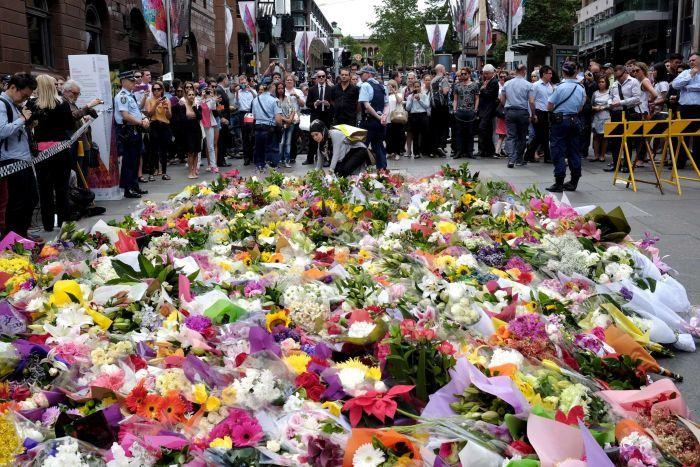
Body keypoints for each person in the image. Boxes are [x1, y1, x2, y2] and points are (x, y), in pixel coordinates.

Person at [26, 75, 75, 231]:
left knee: (44, 188)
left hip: (41, 152)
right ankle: (64, 223)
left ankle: (47, 224)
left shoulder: (32, 104)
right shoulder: (62, 103)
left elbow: (27, 124)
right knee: (62, 188)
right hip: (61, 150)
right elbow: (70, 124)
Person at [0, 73, 37, 237]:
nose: (24, 100)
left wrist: (28, 122)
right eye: (24, 95)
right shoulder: (2, 104)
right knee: (17, 202)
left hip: (23, 159)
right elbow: (2, 131)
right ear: (13, 87)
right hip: (10, 160)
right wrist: (22, 119)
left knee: (31, 198)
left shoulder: (15, 105)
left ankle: (21, 234)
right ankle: (13, 237)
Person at [546, 62, 586, 192]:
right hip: (575, 120)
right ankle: (574, 182)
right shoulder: (581, 88)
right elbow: (581, 107)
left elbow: (549, 106)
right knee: (574, 151)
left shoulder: (560, 87)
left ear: (563, 72)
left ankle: (559, 182)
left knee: (558, 150)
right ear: (575, 73)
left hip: (560, 121)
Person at [114, 70, 149, 199]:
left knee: (135, 160)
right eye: (132, 81)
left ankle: (134, 186)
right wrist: (141, 122)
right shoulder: (122, 96)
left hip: (135, 129)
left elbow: (136, 111)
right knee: (129, 161)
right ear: (124, 82)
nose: (134, 83)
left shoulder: (130, 95)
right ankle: (128, 189)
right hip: (127, 131)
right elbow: (125, 115)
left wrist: (143, 119)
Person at [604, 65, 642, 173]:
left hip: (628, 113)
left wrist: (620, 102)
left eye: (620, 76)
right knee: (615, 140)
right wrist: (610, 103)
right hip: (616, 113)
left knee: (628, 140)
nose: (619, 79)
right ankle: (616, 164)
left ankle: (626, 164)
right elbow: (610, 97)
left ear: (625, 73)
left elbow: (636, 98)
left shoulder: (633, 82)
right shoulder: (615, 84)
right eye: (617, 77)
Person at [62, 79, 101, 178]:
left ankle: (84, 192)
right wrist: (88, 106)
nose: (76, 96)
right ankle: (81, 192)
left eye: (78, 94)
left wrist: (84, 118)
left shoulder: (71, 102)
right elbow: (73, 116)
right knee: (80, 176)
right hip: (75, 144)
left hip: (83, 143)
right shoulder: (63, 102)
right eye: (75, 93)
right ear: (66, 91)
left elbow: (77, 116)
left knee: (84, 174)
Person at [671, 52, 700, 169]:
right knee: (682, 135)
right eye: (690, 60)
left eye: (694, 60)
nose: (691, 62)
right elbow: (675, 85)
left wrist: (688, 87)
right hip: (685, 108)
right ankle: (680, 162)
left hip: (699, 108)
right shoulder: (685, 73)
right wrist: (690, 76)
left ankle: (697, 163)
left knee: (698, 137)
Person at [358, 65, 389, 170]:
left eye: (362, 74)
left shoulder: (365, 85)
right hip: (380, 123)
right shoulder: (382, 86)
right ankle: (382, 171)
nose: (361, 76)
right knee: (379, 146)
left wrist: (378, 117)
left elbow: (366, 105)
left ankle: (360, 171)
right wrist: (383, 117)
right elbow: (386, 105)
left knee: (361, 147)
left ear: (369, 74)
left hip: (368, 121)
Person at [500, 65, 531, 168]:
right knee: (522, 136)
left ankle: (511, 159)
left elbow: (502, 99)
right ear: (523, 71)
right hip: (522, 112)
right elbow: (531, 101)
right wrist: (533, 114)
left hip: (510, 111)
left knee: (511, 136)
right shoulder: (528, 84)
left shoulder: (507, 83)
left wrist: (506, 107)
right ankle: (519, 159)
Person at [144, 80, 172, 180]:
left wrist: (166, 109)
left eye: (158, 89)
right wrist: (155, 104)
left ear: (162, 90)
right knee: (153, 150)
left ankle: (164, 173)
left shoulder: (167, 100)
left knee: (164, 151)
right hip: (154, 125)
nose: (156, 91)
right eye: (154, 89)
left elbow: (169, 117)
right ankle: (151, 173)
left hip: (164, 125)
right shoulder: (149, 100)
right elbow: (149, 114)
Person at [525, 65, 554, 163]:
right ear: (544, 74)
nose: (551, 75)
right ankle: (529, 155)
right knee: (540, 136)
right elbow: (531, 101)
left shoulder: (550, 86)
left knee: (543, 136)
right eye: (549, 73)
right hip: (538, 112)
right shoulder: (536, 85)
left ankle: (545, 156)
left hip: (546, 113)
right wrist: (533, 114)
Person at [251, 83, 283, 172]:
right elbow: (278, 119)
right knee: (272, 150)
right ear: (271, 87)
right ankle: (273, 168)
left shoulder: (255, 100)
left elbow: (253, 116)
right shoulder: (274, 100)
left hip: (258, 128)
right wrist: (280, 127)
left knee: (259, 149)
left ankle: (259, 167)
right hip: (270, 129)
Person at [305, 69, 333, 166]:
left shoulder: (330, 89)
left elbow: (334, 104)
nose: (321, 78)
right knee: (312, 137)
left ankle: (326, 158)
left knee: (326, 138)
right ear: (316, 78)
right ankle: (310, 158)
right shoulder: (312, 89)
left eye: (323, 76)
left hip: (326, 116)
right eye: (319, 76)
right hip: (315, 116)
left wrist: (329, 104)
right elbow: (307, 103)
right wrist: (314, 104)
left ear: (325, 77)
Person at [172, 88, 202, 178]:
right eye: (189, 95)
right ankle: (190, 172)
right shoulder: (182, 107)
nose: (191, 96)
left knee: (196, 152)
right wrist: (192, 116)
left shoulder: (196, 106)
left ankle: (194, 171)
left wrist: (193, 108)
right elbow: (183, 119)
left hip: (197, 131)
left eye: (193, 95)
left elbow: (199, 117)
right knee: (190, 152)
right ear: (186, 96)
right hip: (188, 132)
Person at [452, 67, 479, 159]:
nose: (463, 75)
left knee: (470, 132)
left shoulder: (474, 85)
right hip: (460, 111)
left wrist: (475, 109)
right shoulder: (457, 86)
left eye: (465, 74)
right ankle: (459, 151)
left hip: (470, 111)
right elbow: (455, 99)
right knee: (459, 132)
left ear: (469, 74)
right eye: (462, 74)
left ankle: (470, 151)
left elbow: (477, 98)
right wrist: (454, 110)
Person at [477, 64, 500, 158]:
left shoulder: (494, 82)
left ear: (491, 73)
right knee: (487, 129)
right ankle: (488, 150)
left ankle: (483, 149)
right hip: (484, 108)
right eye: (484, 73)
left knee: (483, 128)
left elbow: (489, 94)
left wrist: (482, 90)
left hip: (489, 108)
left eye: (487, 73)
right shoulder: (485, 80)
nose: (485, 75)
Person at [235, 75, 257, 166]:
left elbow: (256, 98)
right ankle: (246, 158)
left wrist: (250, 90)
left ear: (247, 82)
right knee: (245, 137)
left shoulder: (252, 91)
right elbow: (236, 104)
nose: (243, 84)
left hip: (251, 113)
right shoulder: (239, 92)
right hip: (242, 114)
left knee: (252, 135)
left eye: (244, 82)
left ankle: (252, 156)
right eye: (241, 83)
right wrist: (236, 93)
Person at [405, 80, 430, 159]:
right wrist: (412, 99)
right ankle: (416, 153)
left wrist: (419, 100)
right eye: (415, 87)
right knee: (415, 135)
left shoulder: (424, 95)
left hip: (423, 115)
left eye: (418, 86)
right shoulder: (410, 96)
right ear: (413, 87)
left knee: (424, 134)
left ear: (420, 87)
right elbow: (407, 108)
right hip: (414, 116)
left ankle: (423, 150)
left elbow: (426, 106)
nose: (416, 88)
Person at [199, 81, 219, 174]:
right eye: (205, 91)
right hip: (200, 124)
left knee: (210, 146)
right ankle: (197, 166)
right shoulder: (197, 100)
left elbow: (213, 108)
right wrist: (202, 98)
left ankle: (213, 166)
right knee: (199, 146)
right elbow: (197, 107)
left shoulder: (211, 100)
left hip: (209, 124)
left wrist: (212, 98)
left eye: (208, 91)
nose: (206, 93)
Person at [284, 74, 304, 163]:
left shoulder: (298, 91)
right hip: (284, 118)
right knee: (283, 139)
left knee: (293, 139)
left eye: (290, 80)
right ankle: (284, 156)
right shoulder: (282, 91)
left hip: (295, 119)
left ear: (294, 82)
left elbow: (302, 104)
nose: (289, 81)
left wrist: (296, 96)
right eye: (287, 80)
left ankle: (292, 157)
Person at [590, 76, 610, 163]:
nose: (601, 84)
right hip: (597, 116)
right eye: (599, 82)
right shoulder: (595, 93)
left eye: (603, 82)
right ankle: (596, 155)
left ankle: (602, 155)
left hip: (606, 115)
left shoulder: (610, 92)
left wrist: (604, 107)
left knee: (605, 137)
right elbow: (591, 105)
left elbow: (612, 104)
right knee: (595, 136)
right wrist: (595, 108)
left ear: (606, 83)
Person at [276, 82, 296, 168]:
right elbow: (276, 114)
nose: (281, 90)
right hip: (281, 124)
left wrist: (290, 119)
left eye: (282, 88)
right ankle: (280, 160)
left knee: (288, 143)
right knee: (281, 142)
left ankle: (287, 160)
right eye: (279, 88)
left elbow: (293, 109)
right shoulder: (275, 100)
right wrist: (286, 120)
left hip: (290, 124)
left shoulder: (288, 98)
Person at [214, 73, 231, 168]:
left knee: (223, 139)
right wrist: (221, 117)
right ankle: (220, 160)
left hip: (225, 116)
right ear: (224, 79)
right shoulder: (219, 90)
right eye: (227, 79)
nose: (228, 81)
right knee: (221, 140)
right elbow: (218, 105)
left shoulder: (221, 90)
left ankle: (221, 159)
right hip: (223, 118)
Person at [385, 79, 405, 161]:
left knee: (397, 136)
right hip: (388, 118)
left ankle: (397, 152)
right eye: (389, 86)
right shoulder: (386, 95)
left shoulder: (399, 94)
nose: (390, 88)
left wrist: (394, 92)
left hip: (396, 118)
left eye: (392, 86)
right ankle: (389, 151)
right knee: (388, 136)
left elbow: (399, 101)